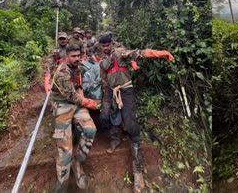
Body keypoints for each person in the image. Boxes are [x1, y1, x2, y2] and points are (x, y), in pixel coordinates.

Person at [98, 34, 174, 192]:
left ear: (111, 44)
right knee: (106, 116)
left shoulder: (120, 52)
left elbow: (138, 53)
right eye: (103, 45)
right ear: (100, 46)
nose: (106, 47)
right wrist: (106, 97)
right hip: (111, 91)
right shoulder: (101, 62)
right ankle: (114, 139)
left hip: (126, 89)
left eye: (108, 45)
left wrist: (160, 53)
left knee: (130, 123)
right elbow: (104, 80)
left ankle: (138, 168)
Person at [50, 44, 99, 191]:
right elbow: (71, 95)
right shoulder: (62, 72)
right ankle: (62, 184)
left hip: (76, 103)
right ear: (66, 57)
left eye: (79, 55)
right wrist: (90, 103)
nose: (77, 58)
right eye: (73, 56)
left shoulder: (78, 67)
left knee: (90, 130)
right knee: (65, 153)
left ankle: (77, 162)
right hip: (62, 106)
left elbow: (79, 86)